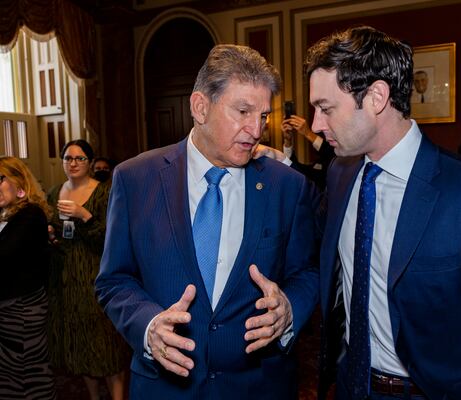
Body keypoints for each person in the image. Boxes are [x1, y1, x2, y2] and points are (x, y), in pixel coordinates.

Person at [306, 26, 461, 400]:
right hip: (350, 383)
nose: (317, 125)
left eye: (325, 108)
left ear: (377, 97)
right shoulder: (340, 173)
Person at [95, 44, 318, 400]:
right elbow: (114, 279)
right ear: (200, 106)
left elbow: (307, 272)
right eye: (243, 111)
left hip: (260, 387)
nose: (256, 129)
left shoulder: (287, 187)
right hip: (165, 388)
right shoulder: (135, 179)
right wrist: (148, 325)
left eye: (263, 115)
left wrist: (289, 310)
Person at [47, 140, 129, 400]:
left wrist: (85, 216)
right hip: (66, 280)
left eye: (79, 158)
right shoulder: (53, 192)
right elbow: (58, 235)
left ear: (90, 163)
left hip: (97, 276)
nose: (72, 163)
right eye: (67, 158)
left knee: (106, 345)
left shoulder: (106, 192)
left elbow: (113, 239)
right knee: (79, 346)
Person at [0, 157, 56, 399]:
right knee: (8, 376)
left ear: (18, 180)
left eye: (0, 179)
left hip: (22, 309)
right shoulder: (5, 215)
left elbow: (4, 257)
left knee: (30, 373)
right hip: (7, 306)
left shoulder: (31, 214)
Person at [281, 114, 335, 189]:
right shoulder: (319, 163)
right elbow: (295, 168)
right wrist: (288, 141)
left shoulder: (340, 157)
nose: (316, 128)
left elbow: (331, 154)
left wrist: (308, 133)